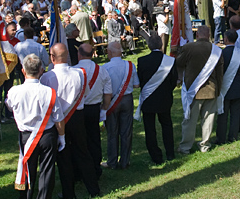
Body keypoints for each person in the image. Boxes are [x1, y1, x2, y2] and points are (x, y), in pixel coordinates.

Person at [41, 43, 99, 199]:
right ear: (67, 55)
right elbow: (85, 93)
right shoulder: (80, 73)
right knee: (83, 152)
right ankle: (93, 188)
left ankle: (69, 193)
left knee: (64, 156)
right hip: (78, 117)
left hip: (58, 120)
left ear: (52, 58)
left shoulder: (47, 77)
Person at [6, 54, 63, 199]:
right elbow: (58, 118)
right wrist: (62, 136)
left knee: (27, 167)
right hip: (47, 134)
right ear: (41, 71)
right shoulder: (49, 92)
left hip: (26, 135)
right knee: (47, 169)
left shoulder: (14, 91)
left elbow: (9, 107)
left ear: (23, 71)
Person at [175, 26, 223, 154]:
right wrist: (218, 90)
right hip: (211, 89)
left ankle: (185, 147)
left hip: (193, 90)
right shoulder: (217, 50)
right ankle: (205, 145)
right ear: (209, 35)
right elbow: (220, 73)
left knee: (190, 121)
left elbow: (178, 63)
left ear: (197, 36)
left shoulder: (188, 48)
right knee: (208, 120)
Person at [136, 33, 178, 165]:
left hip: (148, 99)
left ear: (148, 46)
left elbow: (140, 80)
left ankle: (156, 156)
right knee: (167, 125)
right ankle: (170, 153)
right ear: (161, 45)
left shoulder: (142, 61)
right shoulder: (170, 61)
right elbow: (173, 81)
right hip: (165, 98)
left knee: (150, 128)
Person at [75, 43, 112, 176]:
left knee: (79, 141)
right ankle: (96, 168)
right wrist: (104, 108)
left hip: (78, 110)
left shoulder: (74, 71)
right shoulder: (101, 70)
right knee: (94, 138)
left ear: (79, 54)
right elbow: (108, 92)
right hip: (94, 109)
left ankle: (80, 170)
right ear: (92, 55)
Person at [102, 42, 139, 170]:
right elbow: (136, 85)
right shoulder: (130, 65)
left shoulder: (105, 67)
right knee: (126, 131)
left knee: (112, 132)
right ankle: (125, 160)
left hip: (111, 100)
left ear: (110, 52)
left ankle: (112, 161)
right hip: (127, 100)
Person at [215, 30, 240, 144]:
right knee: (235, 114)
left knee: (222, 115)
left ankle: (221, 138)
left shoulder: (221, 54)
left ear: (226, 39)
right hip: (239, 88)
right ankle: (233, 136)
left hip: (224, 89)